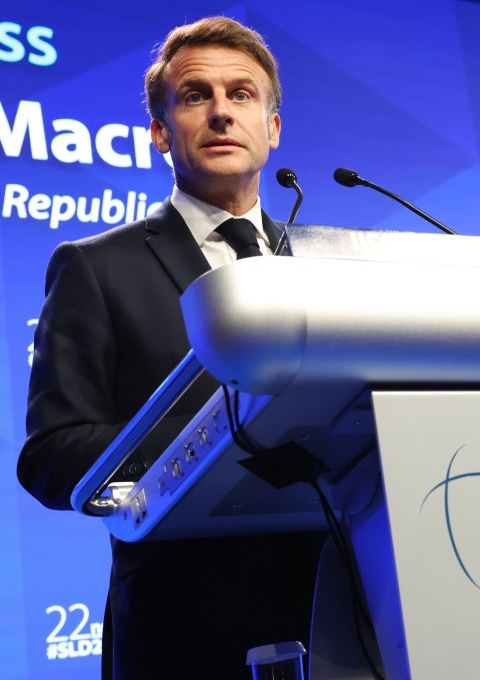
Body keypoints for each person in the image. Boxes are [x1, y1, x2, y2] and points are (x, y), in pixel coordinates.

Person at [17, 16, 326, 679]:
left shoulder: (325, 265)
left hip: (340, 618)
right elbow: (51, 457)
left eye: (241, 94)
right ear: (160, 132)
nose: (221, 112)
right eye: (194, 96)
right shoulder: (95, 268)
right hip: (184, 631)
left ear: (272, 127)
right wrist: (215, 442)